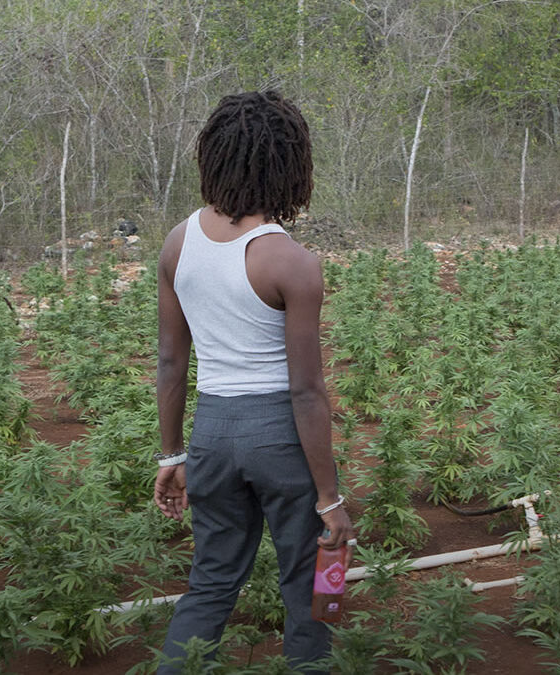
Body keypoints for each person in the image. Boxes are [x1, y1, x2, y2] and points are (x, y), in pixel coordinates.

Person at [153, 91, 356, 674]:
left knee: (211, 581)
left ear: (214, 157)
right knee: (310, 581)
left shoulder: (178, 242)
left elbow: (170, 364)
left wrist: (173, 454)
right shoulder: (289, 261)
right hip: (280, 437)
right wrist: (330, 497)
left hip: (213, 431)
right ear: (288, 164)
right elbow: (306, 391)